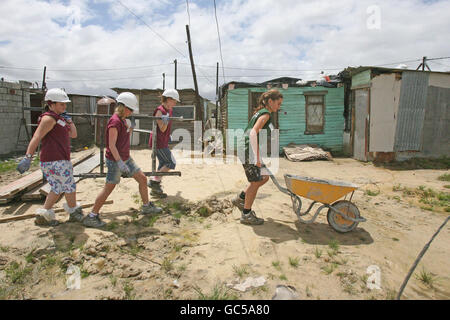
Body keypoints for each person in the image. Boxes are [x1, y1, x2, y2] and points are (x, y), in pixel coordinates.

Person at [85, 92, 162, 228]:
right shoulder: (114, 121)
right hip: (116, 160)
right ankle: (92, 216)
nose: (131, 113)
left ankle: (146, 206)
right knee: (108, 188)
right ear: (124, 107)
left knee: (143, 179)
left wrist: (130, 128)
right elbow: (111, 145)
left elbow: (123, 136)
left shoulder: (121, 120)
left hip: (126, 158)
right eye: (131, 110)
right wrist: (120, 162)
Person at [16, 88, 85, 226]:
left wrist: (69, 121)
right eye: (61, 104)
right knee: (69, 186)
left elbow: (73, 135)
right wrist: (28, 156)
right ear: (51, 104)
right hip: (55, 160)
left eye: (65, 104)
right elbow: (37, 137)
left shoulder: (60, 118)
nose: (64, 107)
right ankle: (74, 213)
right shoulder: (49, 118)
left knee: (57, 188)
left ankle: (43, 215)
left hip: (58, 159)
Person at [232, 89, 283, 225]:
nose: (279, 107)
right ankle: (246, 214)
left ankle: (240, 198)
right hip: (248, 151)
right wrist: (257, 158)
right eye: (278, 104)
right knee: (256, 181)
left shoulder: (261, 113)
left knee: (264, 176)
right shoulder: (265, 114)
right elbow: (253, 133)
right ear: (270, 102)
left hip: (248, 150)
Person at [147, 89, 179, 198]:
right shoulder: (159, 111)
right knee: (171, 162)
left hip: (163, 140)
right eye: (174, 101)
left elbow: (166, 130)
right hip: (158, 142)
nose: (175, 103)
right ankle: (153, 182)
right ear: (169, 99)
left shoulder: (169, 110)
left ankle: (156, 190)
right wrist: (164, 121)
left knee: (162, 164)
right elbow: (163, 128)